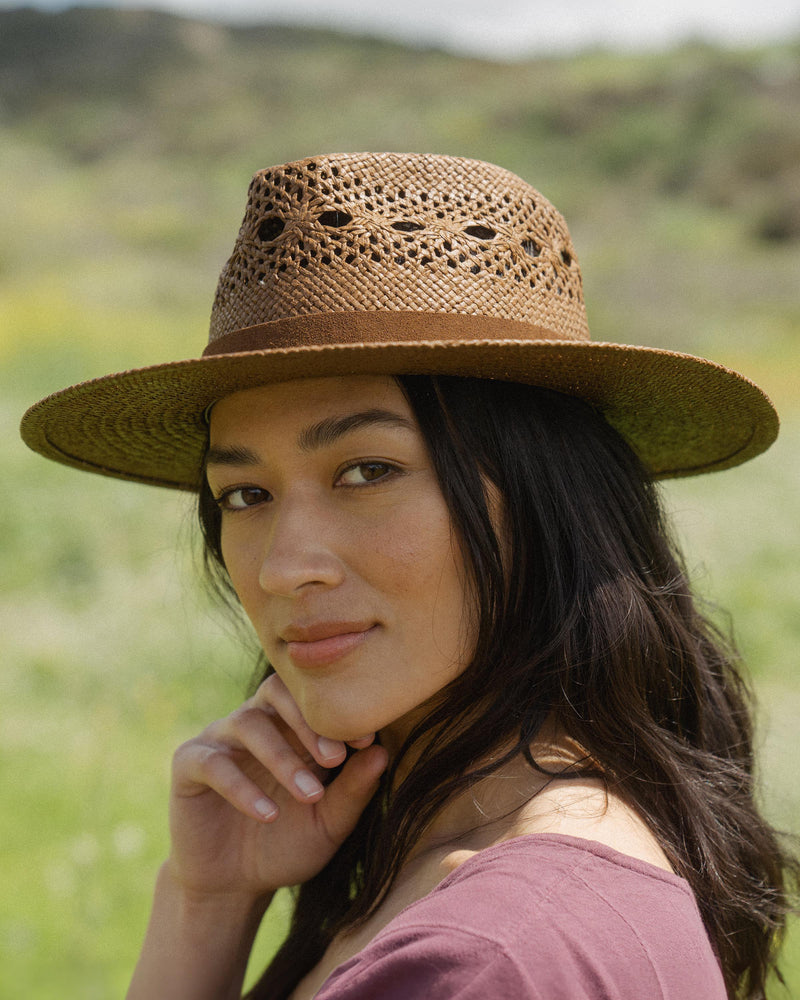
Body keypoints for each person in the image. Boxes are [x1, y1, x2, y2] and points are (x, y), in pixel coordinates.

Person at [21, 152, 797, 1000]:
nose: (283, 569)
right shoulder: (514, 884)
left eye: (367, 471)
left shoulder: (484, 960)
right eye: (245, 494)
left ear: (545, 501)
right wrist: (206, 902)